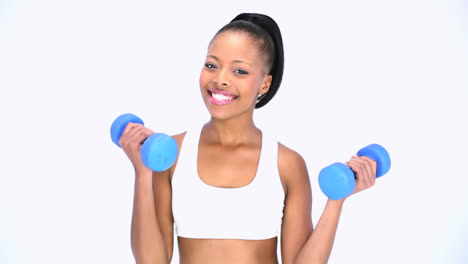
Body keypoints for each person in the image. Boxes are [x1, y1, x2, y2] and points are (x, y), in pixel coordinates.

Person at [118, 13, 377, 264]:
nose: (220, 80)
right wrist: (143, 172)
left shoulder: (286, 163)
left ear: (265, 84)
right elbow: (151, 261)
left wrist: (336, 201)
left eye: (239, 71)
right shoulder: (170, 155)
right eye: (211, 65)